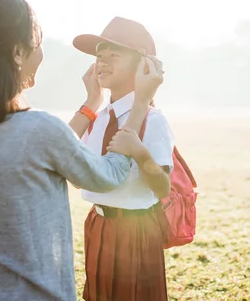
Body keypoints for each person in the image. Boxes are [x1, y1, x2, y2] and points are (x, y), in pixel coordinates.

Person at [0, 0, 164, 300]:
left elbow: (48, 149)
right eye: (39, 42)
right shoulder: (39, 130)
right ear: (18, 52)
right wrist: (140, 103)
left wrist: (90, 105)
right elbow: (108, 174)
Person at [72, 16, 175, 301]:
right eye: (99, 56)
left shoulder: (151, 121)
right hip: (98, 224)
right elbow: (67, 155)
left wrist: (139, 153)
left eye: (113, 56)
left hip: (136, 231)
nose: (102, 62)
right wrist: (91, 101)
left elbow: (164, 187)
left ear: (142, 65)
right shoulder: (100, 117)